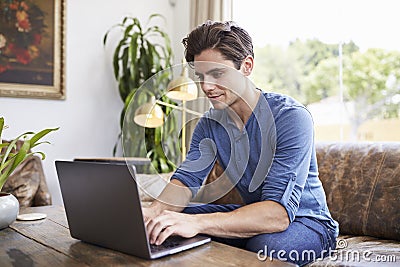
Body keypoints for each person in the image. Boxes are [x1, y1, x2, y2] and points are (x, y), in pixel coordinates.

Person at [143, 20, 339, 266]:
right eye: (201, 76)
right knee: (161, 226)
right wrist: (154, 212)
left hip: (306, 222)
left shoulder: (290, 117)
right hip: (254, 216)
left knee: (264, 246)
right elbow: (185, 181)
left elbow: (277, 215)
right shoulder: (209, 124)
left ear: (246, 66)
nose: (207, 87)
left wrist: (197, 223)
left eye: (217, 74)